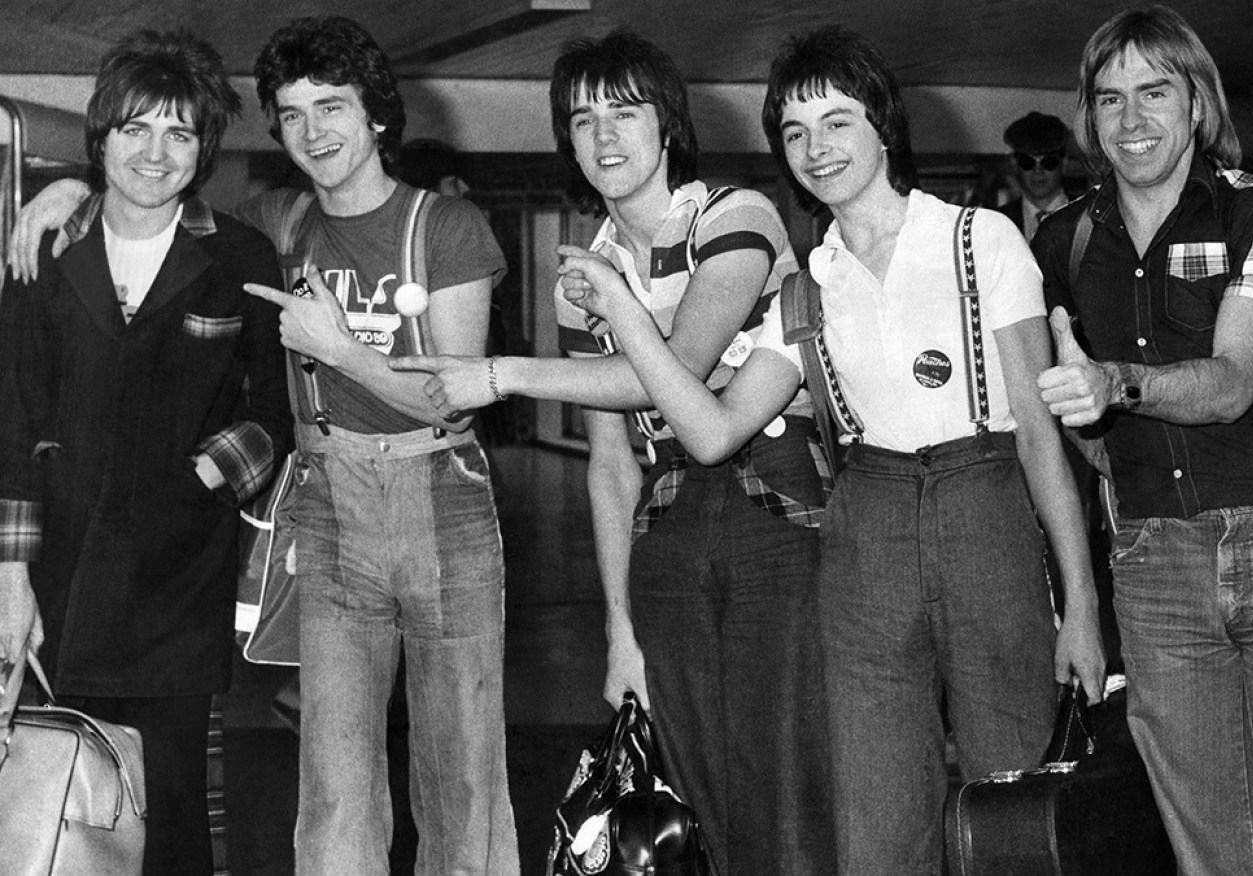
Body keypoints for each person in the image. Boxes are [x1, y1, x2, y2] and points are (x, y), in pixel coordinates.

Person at [532, 26, 1105, 876]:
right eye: (794, 133)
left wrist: (1082, 604)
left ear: (882, 125)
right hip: (865, 521)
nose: (816, 148)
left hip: (984, 505)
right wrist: (616, 310)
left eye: (836, 122)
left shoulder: (977, 239)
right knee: (874, 812)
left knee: (1009, 791)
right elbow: (712, 430)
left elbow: (1037, 438)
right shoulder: (808, 285)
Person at [8, 16, 518, 876]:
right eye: (292, 113)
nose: (313, 130)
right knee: (318, 776)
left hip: (379, 510)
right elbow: (17, 418)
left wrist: (208, 474)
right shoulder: (245, 229)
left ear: (377, 117)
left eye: (333, 108)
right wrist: (67, 192)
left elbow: (420, 406)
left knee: (453, 769)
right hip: (212, 531)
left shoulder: (387, 230)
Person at [392, 29, 835, 876]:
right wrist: (618, 631)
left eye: (624, 113)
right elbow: (609, 465)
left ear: (666, 125)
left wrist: (503, 373)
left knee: (785, 773)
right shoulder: (585, 271)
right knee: (693, 785)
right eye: (582, 118)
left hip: (777, 502)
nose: (603, 137)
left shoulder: (734, 214)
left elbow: (682, 375)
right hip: (666, 523)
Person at [0, 29, 292, 875]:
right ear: (102, 140)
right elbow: (12, 420)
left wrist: (204, 474)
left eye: (179, 133)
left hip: (179, 575)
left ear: (203, 148)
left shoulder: (238, 256)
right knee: (59, 801)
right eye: (134, 129)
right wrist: (9, 578)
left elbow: (273, 412)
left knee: (168, 812)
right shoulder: (45, 252)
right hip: (58, 571)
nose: (155, 153)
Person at [1033, 7, 1253, 874]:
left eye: (1154, 92)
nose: (1131, 120)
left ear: (1197, 105)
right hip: (1152, 564)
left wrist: (1114, 384)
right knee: (1206, 847)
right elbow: (1057, 411)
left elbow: (1230, 383)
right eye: (1109, 99)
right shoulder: (1060, 241)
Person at [997, 111, 1071, 242]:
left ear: (1064, 164)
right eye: (1027, 163)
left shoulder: (1089, 218)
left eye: (1048, 163)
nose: (1038, 171)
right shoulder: (999, 222)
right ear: (1014, 165)